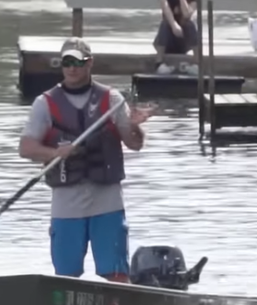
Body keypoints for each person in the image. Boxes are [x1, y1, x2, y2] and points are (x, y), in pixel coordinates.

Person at [18, 37, 154, 283]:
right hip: (67, 202)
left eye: (78, 62)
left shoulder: (112, 100)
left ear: (89, 63)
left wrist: (135, 126)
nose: (72, 68)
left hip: (107, 201)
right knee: (66, 276)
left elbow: (134, 144)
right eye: (67, 62)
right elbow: (25, 148)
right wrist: (54, 153)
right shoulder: (44, 104)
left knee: (116, 272)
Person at [153, 0, 199, 74]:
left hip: (183, 41)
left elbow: (186, 14)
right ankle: (159, 64)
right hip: (168, 40)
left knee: (190, 24)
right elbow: (165, 8)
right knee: (164, 24)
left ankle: (197, 64)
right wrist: (174, 25)